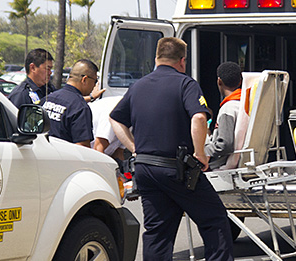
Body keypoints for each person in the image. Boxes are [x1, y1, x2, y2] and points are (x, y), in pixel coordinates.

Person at [109, 37, 234, 261]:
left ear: (156, 58)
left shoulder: (137, 86)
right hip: (177, 170)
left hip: (145, 170)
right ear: (182, 61)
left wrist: (134, 148)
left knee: (158, 233)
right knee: (215, 220)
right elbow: (198, 117)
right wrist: (200, 154)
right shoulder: (185, 84)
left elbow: (115, 119)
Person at [42, 59, 99, 147]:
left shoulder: (47, 99)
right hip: (65, 158)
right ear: (84, 79)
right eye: (95, 81)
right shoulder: (80, 107)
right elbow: (82, 148)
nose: (95, 85)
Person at [205, 61, 242, 170]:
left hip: (220, 168)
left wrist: (204, 150)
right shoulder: (246, 105)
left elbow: (225, 144)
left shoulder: (228, 108)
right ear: (240, 82)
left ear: (219, 81)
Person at [89, 95, 126, 160]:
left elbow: (118, 153)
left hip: (103, 155)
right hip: (88, 154)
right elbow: (97, 149)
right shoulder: (114, 111)